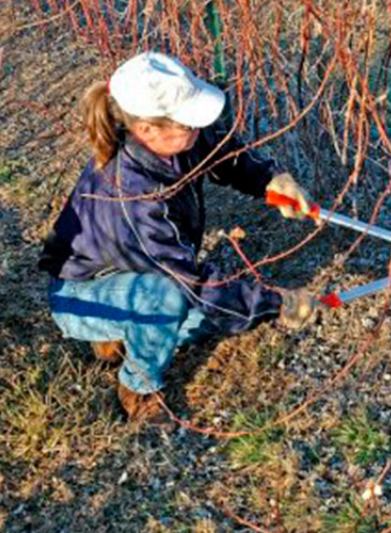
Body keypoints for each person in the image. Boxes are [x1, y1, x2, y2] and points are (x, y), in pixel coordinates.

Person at [39, 52, 316, 428]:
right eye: (189, 123)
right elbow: (191, 282)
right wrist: (273, 302)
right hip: (79, 294)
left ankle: (120, 333)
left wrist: (270, 180)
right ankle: (136, 388)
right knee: (171, 300)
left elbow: (223, 153)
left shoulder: (174, 141)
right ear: (147, 130)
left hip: (128, 274)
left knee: (208, 317)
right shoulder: (134, 195)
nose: (199, 130)